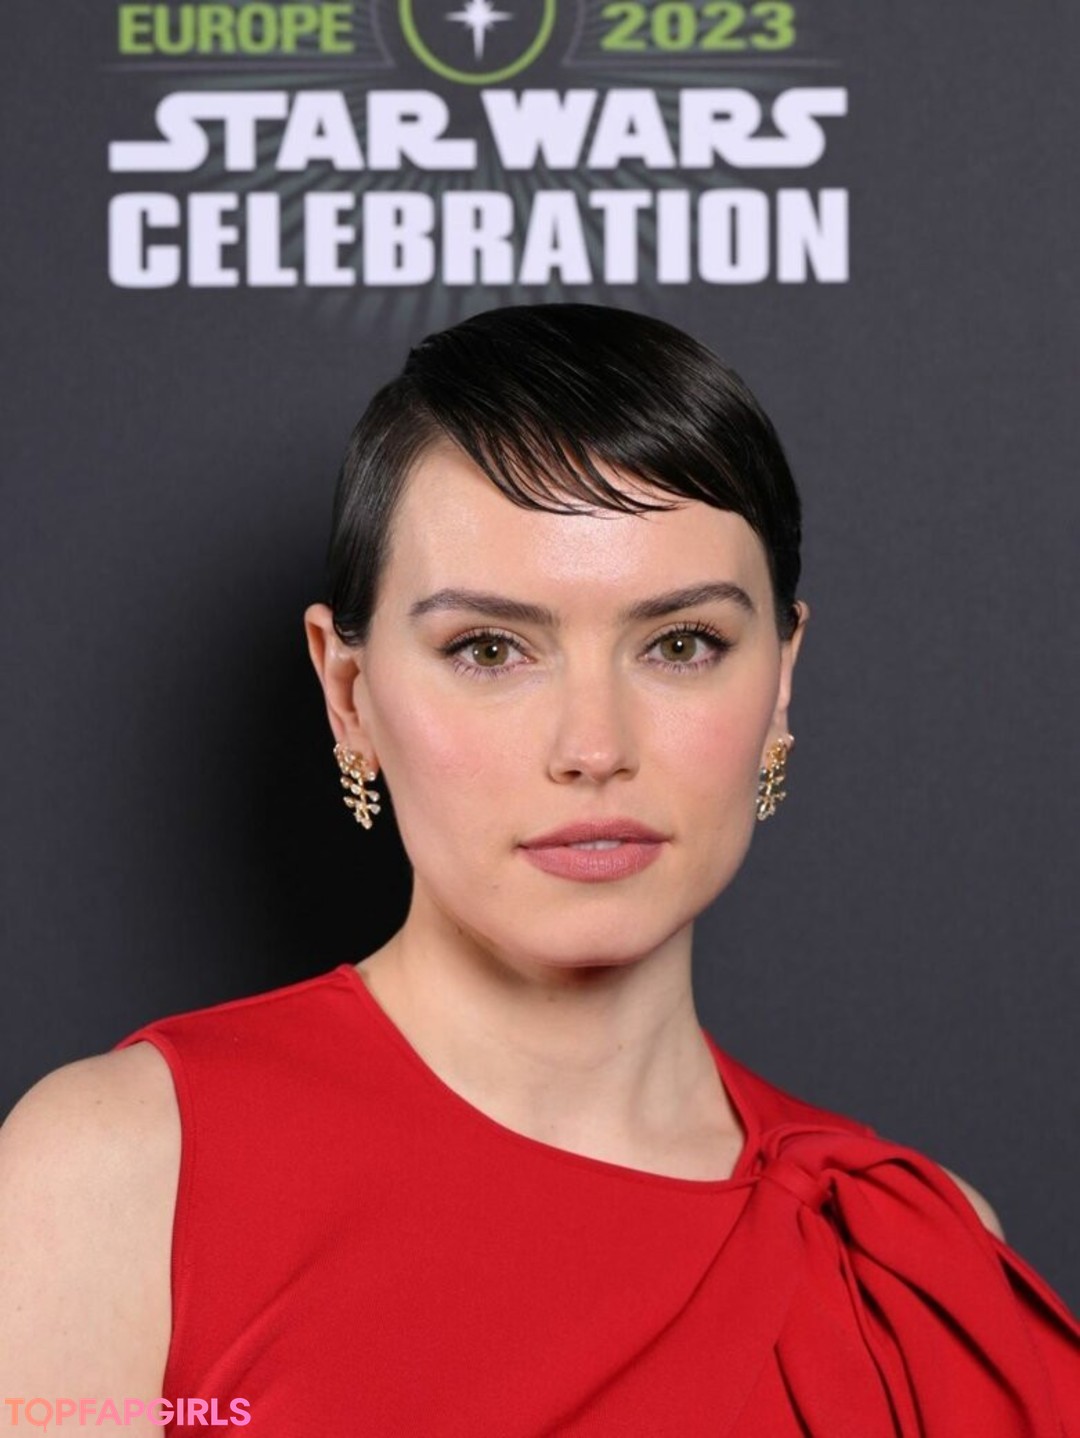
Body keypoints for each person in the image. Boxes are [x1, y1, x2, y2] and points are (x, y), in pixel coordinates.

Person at [0, 304, 1076, 1435]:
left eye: (681, 644)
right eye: (490, 649)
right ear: (349, 695)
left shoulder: (907, 1255)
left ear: (781, 680)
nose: (594, 747)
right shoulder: (124, 1176)